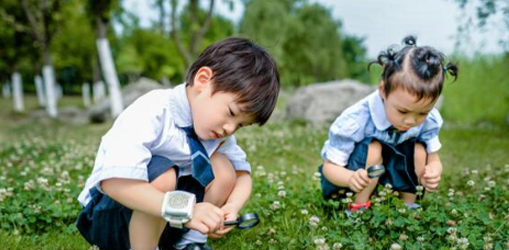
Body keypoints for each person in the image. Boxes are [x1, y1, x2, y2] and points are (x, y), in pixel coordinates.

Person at [76, 37, 280, 250]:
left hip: (166, 221)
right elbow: (114, 183)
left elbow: (242, 176)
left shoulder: (215, 131)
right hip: (111, 216)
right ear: (203, 80)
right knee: (164, 173)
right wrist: (187, 209)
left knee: (223, 167)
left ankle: (191, 243)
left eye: (240, 125)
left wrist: (232, 207)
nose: (230, 128)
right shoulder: (151, 111)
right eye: (231, 113)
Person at [318, 35, 458, 214]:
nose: (411, 121)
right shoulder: (356, 119)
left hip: (386, 179)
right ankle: (358, 206)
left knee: (419, 150)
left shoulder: (428, 120)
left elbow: (433, 157)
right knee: (374, 148)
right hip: (347, 181)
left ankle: (408, 205)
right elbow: (329, 168)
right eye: (402, 111)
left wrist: (433, 171)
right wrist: (350, 178)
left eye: (422, 113)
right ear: (383, 90)